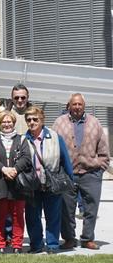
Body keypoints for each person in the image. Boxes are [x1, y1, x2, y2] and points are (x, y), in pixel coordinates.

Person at [52, 93, 109, 250]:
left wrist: (100, 168)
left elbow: (104, 149)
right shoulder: (59, 122)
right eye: (74, 104)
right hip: (67, 174)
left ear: (84, 106)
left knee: (91, 208)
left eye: (80, 104)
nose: (77, 107)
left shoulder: (95, 122)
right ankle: (69, 238)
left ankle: (87, 238)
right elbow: (53, 146)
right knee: (66, 209)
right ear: (69, 106)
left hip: (91, 173)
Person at [24, 106, 74, 253]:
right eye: (29, 119)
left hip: (52, 182)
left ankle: (52, 245)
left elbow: (65, 160)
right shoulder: (23, 139)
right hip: (32, 184)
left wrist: (70, 181)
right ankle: (36, 245)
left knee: (53, 216)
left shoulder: (55, 137)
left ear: (42, 120)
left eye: (35, 119)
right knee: (32, 217)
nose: (32, 122)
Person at [0, 111, 32, 254]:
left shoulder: (22, 139)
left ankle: (17, 244)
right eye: (3, 122)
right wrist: (4, 169)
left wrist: (15, 169)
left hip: (17, 182)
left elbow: (26, 157)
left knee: (17, 215)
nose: (6, 124)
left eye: (9, 121)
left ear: (13, 123)